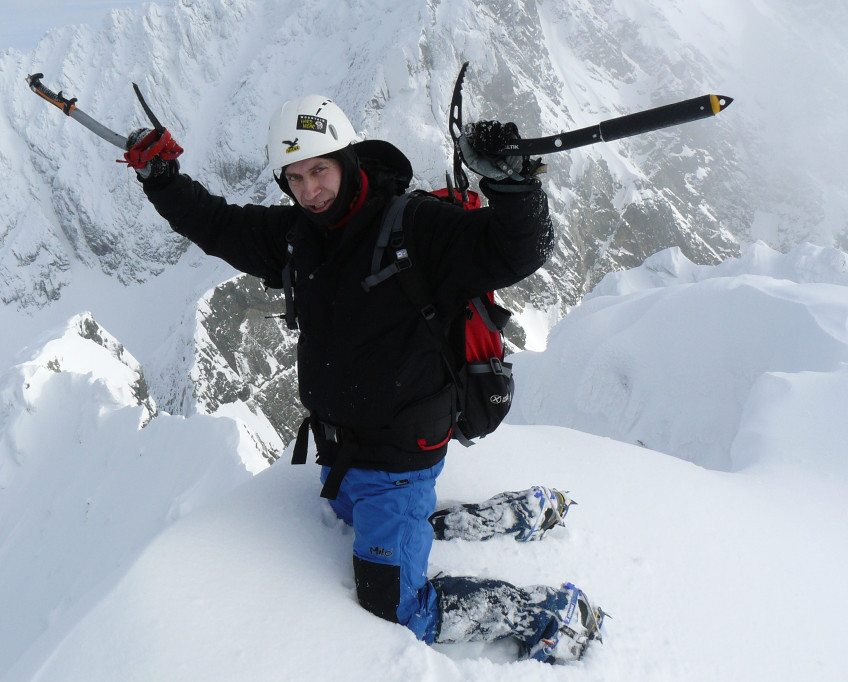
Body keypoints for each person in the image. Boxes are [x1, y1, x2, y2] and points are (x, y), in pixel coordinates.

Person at [124, 94, 604, 662]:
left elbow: (514, 250)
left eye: (319, 171)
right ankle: (455, 522)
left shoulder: (415, 227)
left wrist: (514, 185)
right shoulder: (297, 234)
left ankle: (546, 612)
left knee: (392, 604)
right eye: (294, 177)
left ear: (347, 159)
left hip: (399, 457)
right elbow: (219, 225)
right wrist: (163, 181)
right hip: (342, 451)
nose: (309, 191)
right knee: (360, 519)